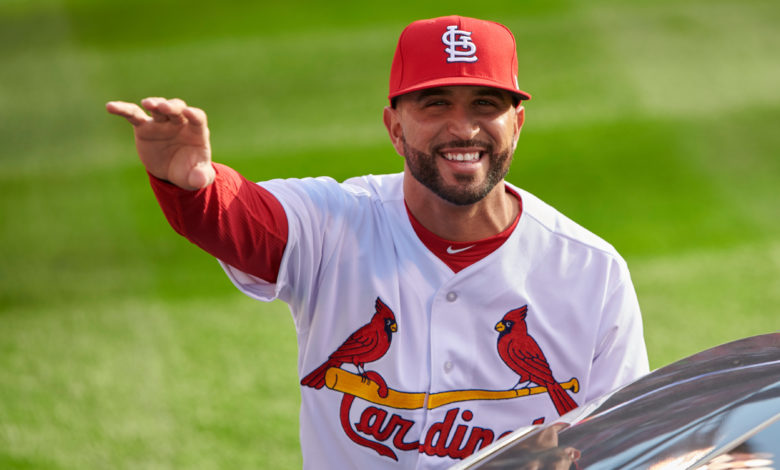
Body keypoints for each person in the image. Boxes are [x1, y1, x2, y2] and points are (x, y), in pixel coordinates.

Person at [107, 15, 649, 470]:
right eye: (435, 104)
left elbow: (626, 444)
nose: (464, 128)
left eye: (486, 104)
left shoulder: (591, 271)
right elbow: (245, 222)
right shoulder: (334, 222)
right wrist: (192, 185)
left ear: (518, 122)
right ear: (393, 127)